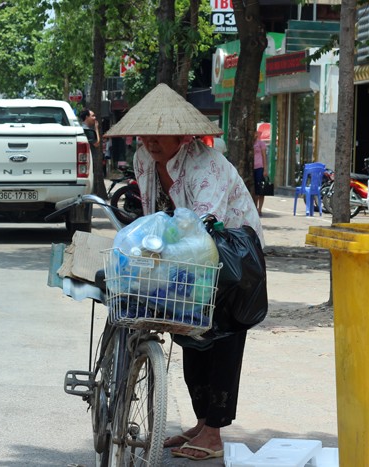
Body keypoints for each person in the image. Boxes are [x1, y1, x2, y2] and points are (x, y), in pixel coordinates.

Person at [104, 83, 263, 461]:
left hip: (231, 254)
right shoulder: (144, 159)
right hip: (187, 254)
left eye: (159, 135)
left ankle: (214, 434)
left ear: (182, 134)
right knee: (187, 331)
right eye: (145, 134)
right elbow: (150, 217)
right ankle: (201, 422)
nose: (151, 142)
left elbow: (204, 225)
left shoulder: (207, 165)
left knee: (222, 334)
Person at [78, 108, 103, 184]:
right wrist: (96, 129)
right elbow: (97, 143)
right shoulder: (88, 131)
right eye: (92, 116)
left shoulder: (79, 128)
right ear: (86, 117)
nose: (94, 118)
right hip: (89, 159)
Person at [253, 130, 268, 216]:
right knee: (254, 189)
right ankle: (254, 207)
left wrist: (265, 169)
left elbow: (264, 156)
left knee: (261, 190)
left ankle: (260, 208)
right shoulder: (249, 143)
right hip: (252, 167)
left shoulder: (261, 143)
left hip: (259, 167)